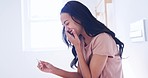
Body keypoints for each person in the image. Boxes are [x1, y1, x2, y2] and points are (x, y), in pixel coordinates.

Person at [37, 1, 124, 78]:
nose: (66, 29)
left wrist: (78, 48)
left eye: (67, 23)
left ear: (79, 18)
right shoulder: (82, 41)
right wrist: (52, 70)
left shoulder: (102, 39)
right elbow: (81, 76)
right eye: (64, 26)